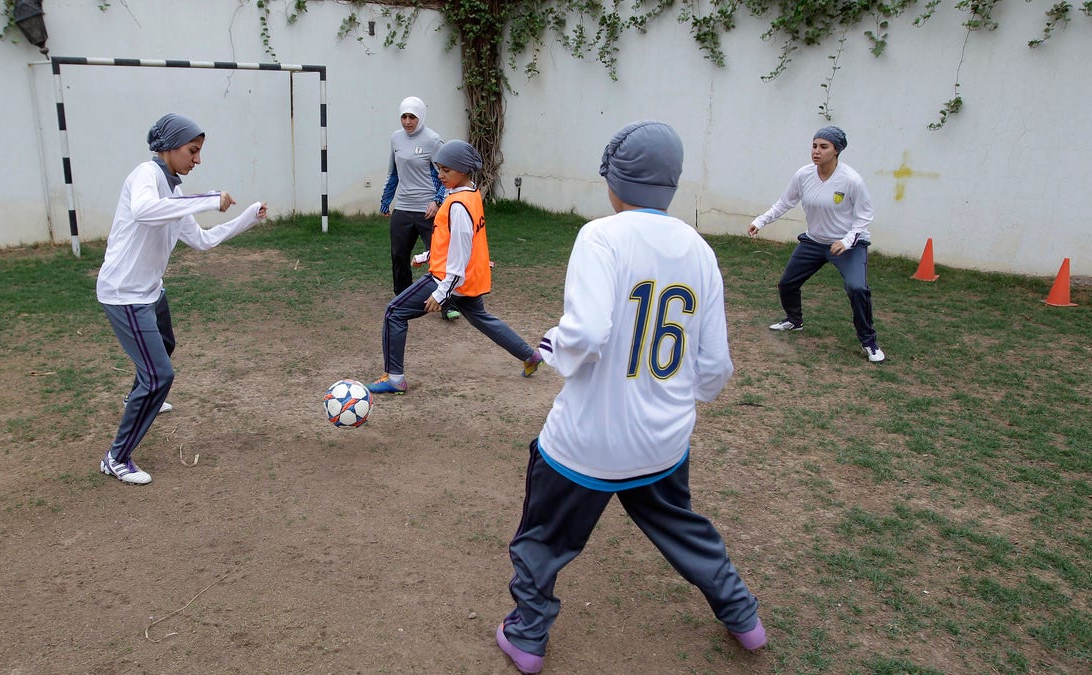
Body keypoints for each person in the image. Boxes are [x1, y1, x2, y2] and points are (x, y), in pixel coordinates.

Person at [495, 121, 765, 674]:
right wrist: (691, 398)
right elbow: (714, 366)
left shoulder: (601, 235)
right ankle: (744, 618)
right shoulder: (700, 250)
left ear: (617, 180)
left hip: (586, 444)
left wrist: (553, 348)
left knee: (543, 539)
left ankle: (526, 637)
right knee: (682, 527)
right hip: (663, 442)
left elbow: (588, 330)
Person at [96, 113, 268, 485]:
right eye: (193, 151)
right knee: (159, 376)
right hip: (125, 294)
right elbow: (143, 211)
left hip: (150, 291)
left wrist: (248, 218)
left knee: (165, 344)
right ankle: (116, 457)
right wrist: (206, 199)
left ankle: (135, 399)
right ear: (169, 147)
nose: (198, 160)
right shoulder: (146, 174)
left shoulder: (173, 193)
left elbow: (203, 241)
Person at [366, 139, 543, 395]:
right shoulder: (469, 195)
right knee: (482, 319)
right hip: (465, 279)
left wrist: (440, 294)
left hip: (447, 278)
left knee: (394, 312)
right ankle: (530, 356)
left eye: (446, 170)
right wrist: (427, 254)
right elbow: (457, 242)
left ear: (462, 170)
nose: (440, 175)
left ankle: (395, 379)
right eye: (439, 169)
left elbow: (459, 255)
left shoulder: (458, 206)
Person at [748, 126, 885, 362]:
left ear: (836, 151)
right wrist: (761, 221)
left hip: (847, 245)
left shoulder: (851, 180)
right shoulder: (803, 175)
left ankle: (869, 342)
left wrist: (846, 240)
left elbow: (865, 215)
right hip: (814, 241)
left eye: (824, 147)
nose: (816, 151)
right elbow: (784, 202)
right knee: (787, 283)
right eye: (814, 146)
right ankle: (794, 320)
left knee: (857, 289)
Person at [378, 96, 460, 321]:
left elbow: (444, 174)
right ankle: (402, 298)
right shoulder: (396, 138)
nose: (407, 121)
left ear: (420, 116)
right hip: (403, 208)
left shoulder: (433, 140)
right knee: (399, 255)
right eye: (404, 116)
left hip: (428, 210)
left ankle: (447, 303)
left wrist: (437, 201)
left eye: (412, 117)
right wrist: (386, 200)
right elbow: (393, 172)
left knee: (439, 257)